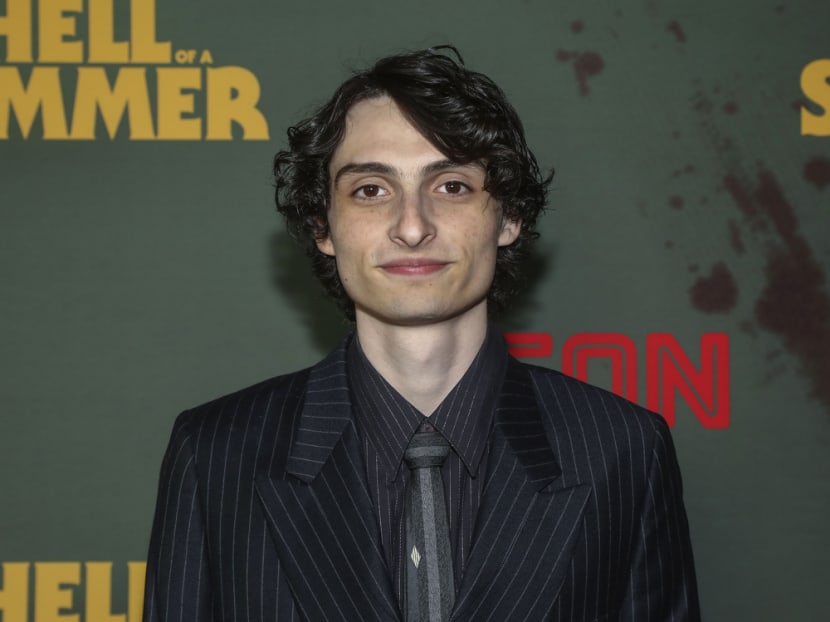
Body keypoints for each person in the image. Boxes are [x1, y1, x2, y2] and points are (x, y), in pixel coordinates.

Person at [143, 47, 700, 621]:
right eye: (371, 190)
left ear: (508, 217)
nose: (412, 226)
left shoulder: (622, 450)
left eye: (452, 186)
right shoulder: (216, 455)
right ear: (322, 226)